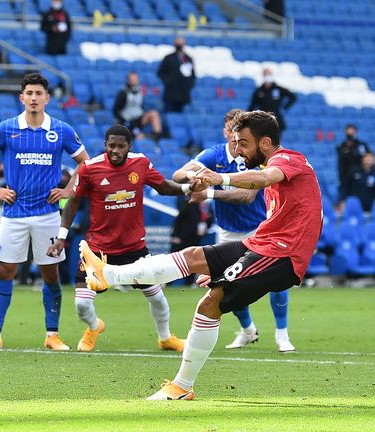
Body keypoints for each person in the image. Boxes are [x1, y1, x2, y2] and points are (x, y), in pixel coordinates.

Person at [79, 111, 322, 400]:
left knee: (211, 303)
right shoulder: (276, 174)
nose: (240, 151)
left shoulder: (287, 160)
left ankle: (181, 386)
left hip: (282, 256)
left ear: (266, 143)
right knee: (194, 256)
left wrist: (221, 178)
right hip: (262, 244)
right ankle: (108, 275)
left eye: (244, 144)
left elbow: (262, 178)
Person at [0, 72, 89, 351]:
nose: (34, 98)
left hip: (48, 215)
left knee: (50, 274)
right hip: (14, 214)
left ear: (47, 98)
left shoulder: (60, 130)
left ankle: (53, 335)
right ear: (21, 98)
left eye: (39, 93)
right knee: (6, 271)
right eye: (29, 94)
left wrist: (68, 190)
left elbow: (85, 163)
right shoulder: (6, 128)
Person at [47, 124, 188, 352]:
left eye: (120, 146)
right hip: (97, 251)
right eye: (111, 146)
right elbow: (73, 202)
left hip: (135, 249)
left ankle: (166, 338)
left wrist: (187, 189)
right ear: (105, 145)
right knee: (82, 304)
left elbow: (163, 187)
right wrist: (62, 237)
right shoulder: (90, 168)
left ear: (128, 147)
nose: (115, 150)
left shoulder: (140, 163)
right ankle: (94, 326)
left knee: (157, 297)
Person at [174, 109, 295, 352]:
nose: (235, 137)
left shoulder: (255, 157)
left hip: (258, 229)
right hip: (227, 231)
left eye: (240, 134)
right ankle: (248, 330)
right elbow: (178, 175)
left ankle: (282, 335)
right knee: (229, 284)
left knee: (277, 283)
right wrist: (193, 176)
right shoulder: (215, 154)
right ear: (225, 131)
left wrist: (208, 192)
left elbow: (247, 197)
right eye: (231, 131)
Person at [170, 196, 209, 285]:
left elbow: (208, 219)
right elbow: (179, 219)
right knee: (175, 261)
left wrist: (205, 228)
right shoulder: (189, 204)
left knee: (193, 261)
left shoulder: (207, 206)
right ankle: (168, 283)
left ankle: (190, 283)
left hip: (195, 237)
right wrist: (175, 235)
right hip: (182, 237)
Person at [112, 72, 162, 141]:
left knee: (154, 113)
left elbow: (140, 106)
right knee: (138, 135)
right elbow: (115, 110)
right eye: (132, 79)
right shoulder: (123, 93)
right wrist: (124, 121)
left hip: (139, 118)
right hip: (128, 121)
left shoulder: (140, 91)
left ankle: (157, 137)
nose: (134, 81)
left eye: (136, 79)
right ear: (128, 80)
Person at [248, 68, 296, 132]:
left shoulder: (278, 89)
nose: (267, 77)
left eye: (269, 74)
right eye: (266, 75)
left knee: (276, 138)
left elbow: (293, 97)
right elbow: (252, 105)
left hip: (276, 118)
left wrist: (285, 107)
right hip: (263, 119)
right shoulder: (259, 91)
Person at [156, 37, 196, 113]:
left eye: (181, 43)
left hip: (183, 94)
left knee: (179, 117)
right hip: (170, 93)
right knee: (168, 114)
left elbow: (192, 75)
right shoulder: (169, 58)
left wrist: (189, 84)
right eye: (178, 43)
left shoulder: (188, 59)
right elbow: (160, 73)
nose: (179, 45)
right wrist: (168, 81)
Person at [336, 124, 371, 194]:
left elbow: (369, 156)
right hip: (346, 178)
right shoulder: (341, 147)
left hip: (360, 178)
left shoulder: (361, 145)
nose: (350, 135)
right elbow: (340, 164)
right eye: (349, 133)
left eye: (352, 133)